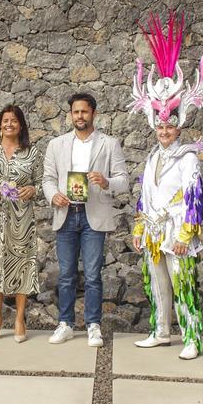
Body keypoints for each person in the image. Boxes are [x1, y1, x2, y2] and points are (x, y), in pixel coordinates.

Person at [127, 11, 203, 360]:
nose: (164, 132)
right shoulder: (151, 157)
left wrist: (186, 234)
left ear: (179, 127)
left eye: (169, 128)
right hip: (153, 231)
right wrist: (138, 226)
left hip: (177, 231)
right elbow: (145, 196)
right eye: (160, 129)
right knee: (157, 284)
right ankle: (161, 331)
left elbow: (195, 197)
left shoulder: (188, 157)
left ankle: (191, 337)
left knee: (182, 284)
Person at [42, 92, 129, 347]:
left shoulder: (109, 144)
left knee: (92, 275)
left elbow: (123, 180)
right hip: (66, 214)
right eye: (75, 112)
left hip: (94, 216)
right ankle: (66, 323)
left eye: (84, 111)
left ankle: (93, 324)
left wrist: (106, 182)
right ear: (70, 115)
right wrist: (53, 195)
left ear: (94, 114)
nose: (80, 116)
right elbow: (47, 178)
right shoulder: (56, 144)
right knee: (66, 274)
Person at [0, 105, 42, 342]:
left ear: (21, 125)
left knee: (22, 265)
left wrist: (33, 189)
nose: (9, 124)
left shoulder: (32, 153)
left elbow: (42, 183)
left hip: (21, 220)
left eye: (14, 120)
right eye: (5, 120)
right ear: (0, 125)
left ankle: (20, 319)